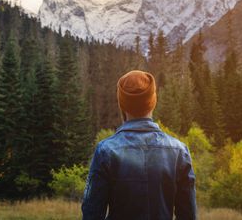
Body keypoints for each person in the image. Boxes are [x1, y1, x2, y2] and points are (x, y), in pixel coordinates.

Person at [82, 70, 197, 220]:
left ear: (122, 105)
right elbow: (188, 215)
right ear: (153, 102)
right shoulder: (179, 151)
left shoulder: (106, 151)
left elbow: (91, 213)